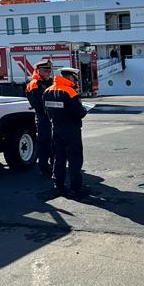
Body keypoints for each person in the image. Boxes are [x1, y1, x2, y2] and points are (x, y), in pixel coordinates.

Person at [43, 66, 87, 195]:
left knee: (59, 158)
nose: (76, 81)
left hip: (56, 129)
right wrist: (84, 109)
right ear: (68, 77)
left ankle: (59, 184)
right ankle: (75, 187)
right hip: (71, 131)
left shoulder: (47, 91)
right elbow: (79, 113)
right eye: (75, 78)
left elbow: (47, 112)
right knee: (75, 159)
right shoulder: (70, 92)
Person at [25, 59, 54, 174]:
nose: (48, 73)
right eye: (45, 70)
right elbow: (37, 104)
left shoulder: (52, 82)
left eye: (49, 70)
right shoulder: (34, 84)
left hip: (54, 117)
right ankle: (43, 167)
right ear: (38, 71)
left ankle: (54, 164)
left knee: (55, 142)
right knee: (44, 142)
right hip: (43, 117)